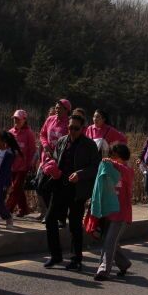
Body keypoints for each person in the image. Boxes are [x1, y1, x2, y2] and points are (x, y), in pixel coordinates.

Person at [43, 114, 100, 271]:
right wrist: (51, 167)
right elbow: (56, 159)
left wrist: (80, 174)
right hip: (60, 186)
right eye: (70, 127)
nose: (72, 131)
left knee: (74, 225)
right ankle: (56, 255)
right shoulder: (62, 141)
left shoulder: (89, 145)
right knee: (50, 220)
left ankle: (76, 259)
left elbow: (95, 167)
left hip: (77, 190)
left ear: (82, 129)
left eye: (76, 128)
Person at [94, 144, 134, 281]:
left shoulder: (127, 170)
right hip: (108, 212)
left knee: (109, 242)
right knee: (109, 241)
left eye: (115, 156)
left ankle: (103, 270)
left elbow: (122, 170)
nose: (112, 158)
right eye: (111, 156)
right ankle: (124, 263)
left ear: (123, 157)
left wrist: (112, 163)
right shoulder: (110, 168)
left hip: (121, 214)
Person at [6, 109, 37, 218]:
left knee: (15, 188)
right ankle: (23, 209)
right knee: (18, 188)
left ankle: (7, 209)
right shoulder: (10, 132)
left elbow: (32, 150)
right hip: (12, 166)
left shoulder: (29, 133)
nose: (16, 121)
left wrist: (31, 164)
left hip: (23, 167)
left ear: (24, 120)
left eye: (18, 119)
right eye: (15, 119)